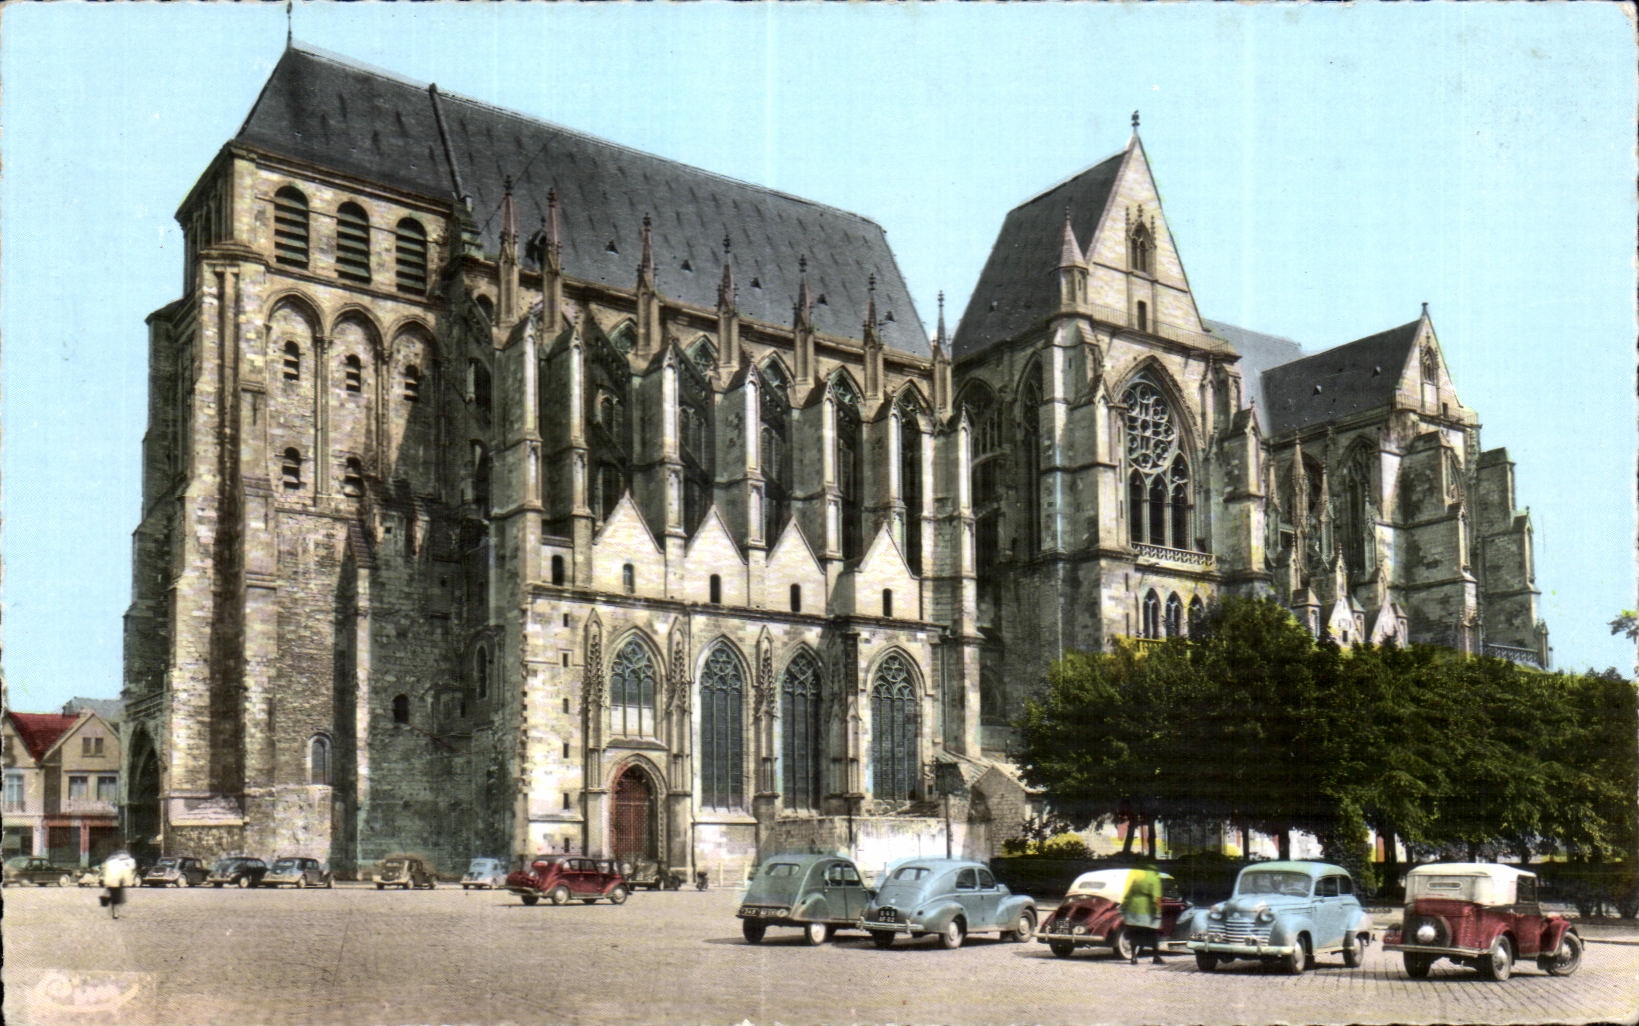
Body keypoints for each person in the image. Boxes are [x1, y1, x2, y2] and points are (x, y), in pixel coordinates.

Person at [1121, 862, 1165, 965]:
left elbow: (1127, 894)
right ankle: (1156, 956)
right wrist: (1157, 912)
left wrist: (1124, 907)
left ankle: (1133, 957)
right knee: (1153, 934)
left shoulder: (1137, 877)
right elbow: (1157, 898)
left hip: (1133, 908)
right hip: (1147, 910)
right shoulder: (1154, 878)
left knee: (1134, 934)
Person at [100, 850, 139, 920]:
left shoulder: (109, 863)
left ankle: (114, 911)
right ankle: (115, 913)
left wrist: (106, 881)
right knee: (116, 899)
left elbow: (106, 872)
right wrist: (128, 881)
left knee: (113, 899)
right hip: (117, 883)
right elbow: (124, 873)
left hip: (111, 883)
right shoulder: (120, 864)